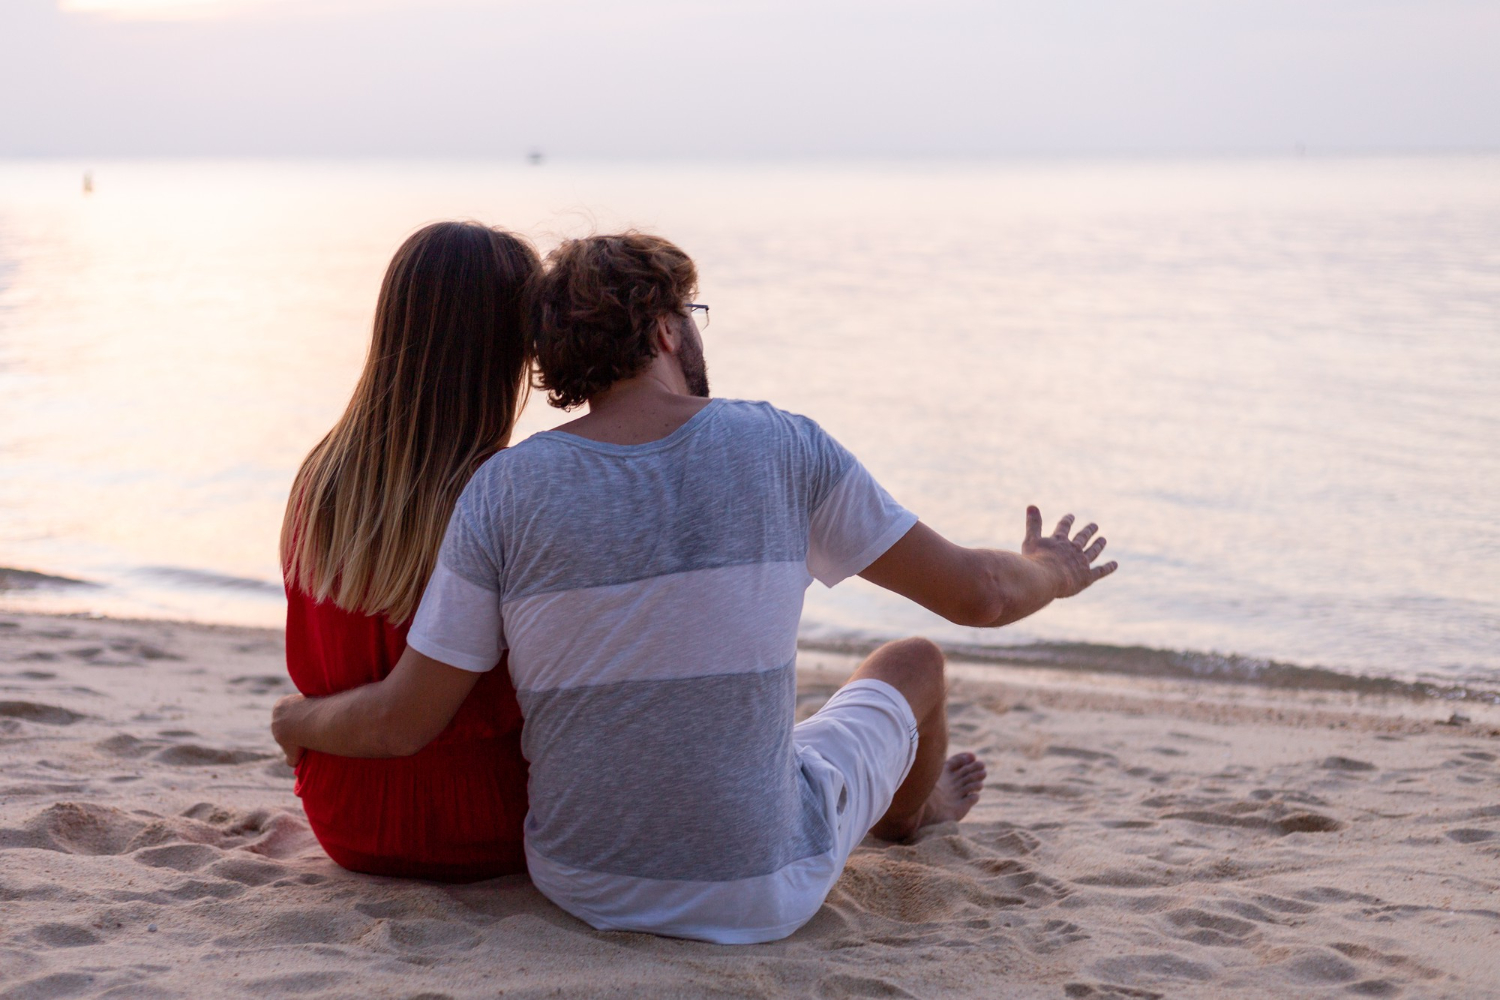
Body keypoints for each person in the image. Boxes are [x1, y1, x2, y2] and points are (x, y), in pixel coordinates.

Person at [272, 232, 1116, 941]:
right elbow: (980, 596)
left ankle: (882, 801)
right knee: (914, 661)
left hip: (576, 880)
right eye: (692, 315)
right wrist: (1053, 569)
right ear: (667, 331)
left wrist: (296, 720)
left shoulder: (501, 488)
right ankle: (910, 814)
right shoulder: (783, 446)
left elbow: (407, 716)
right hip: (760, 889)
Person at [279, 221, 539, 882]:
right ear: (512, 349)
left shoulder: (321, 478)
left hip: (344, 814)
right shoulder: (501, 495)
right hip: (487, 820)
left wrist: (295, 721)